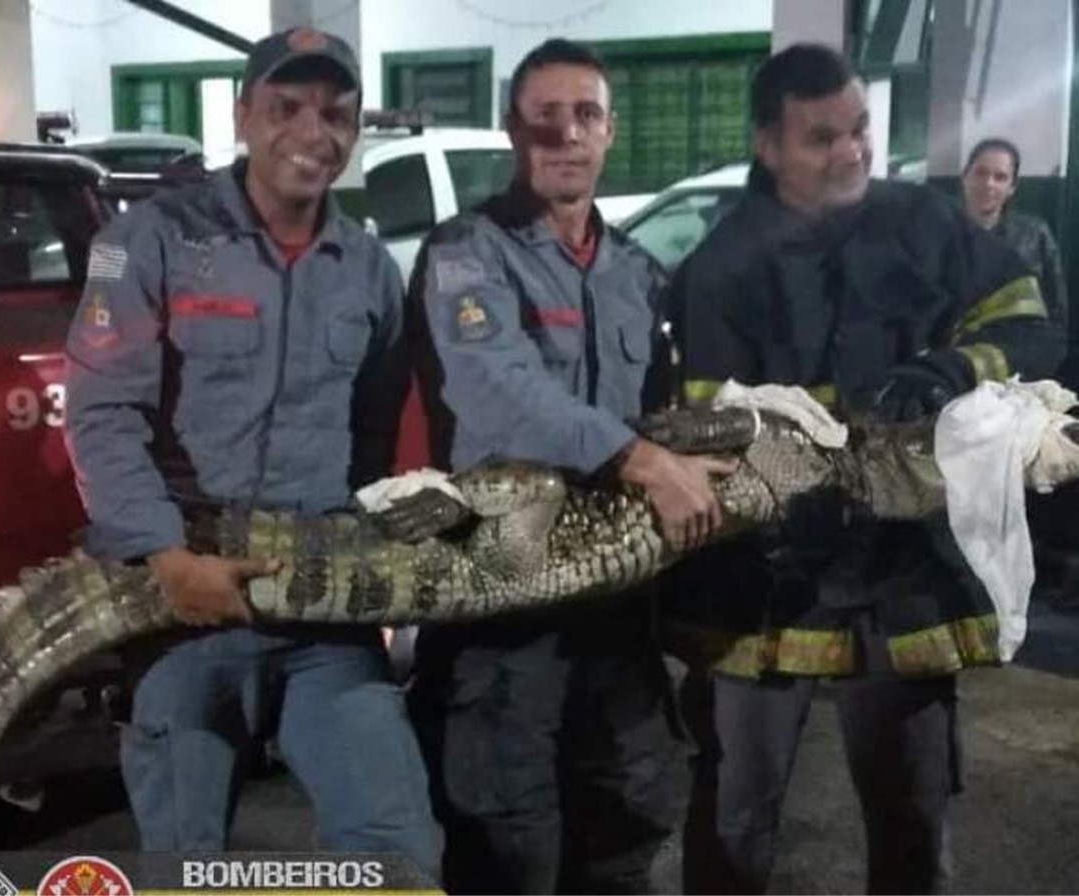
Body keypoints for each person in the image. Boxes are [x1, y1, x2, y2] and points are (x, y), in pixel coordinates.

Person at [662, 43, 1066, 895]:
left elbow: (1030, 325)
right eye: (823, 139)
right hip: (764, 590)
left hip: (903, 580)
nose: (852, 151)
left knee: (912, 820)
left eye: (860, 129)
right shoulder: (720, 270)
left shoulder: (926, 224)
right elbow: (710, 432)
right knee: (736, 821)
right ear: (769, 147)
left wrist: (954, 369)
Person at [63, 27, 438, 876]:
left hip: (321, 623)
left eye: (336, 114)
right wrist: (165, 557)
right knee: (185, 868)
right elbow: (100, 411)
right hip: (181, 604)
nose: (314, 132)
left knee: (398, 854)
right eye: (287, 108)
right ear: (243, 118)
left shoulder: (372, 270)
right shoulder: (142, 240)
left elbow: (374, 441)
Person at [406, 37, 735, 895]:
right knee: (506, 843)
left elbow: (673, 403)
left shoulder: (635, 273)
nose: (565, 134)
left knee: (627, 822)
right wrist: (643, 461)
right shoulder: (467, 252)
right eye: (544, 117)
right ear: (513, 131)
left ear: (609, 132)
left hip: (617, 616)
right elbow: (495, 388)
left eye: (584, 115)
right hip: (502, 606)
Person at [961, 137, 1068, 329]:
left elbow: (1055, 305)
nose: (989, 184)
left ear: (1012, 187)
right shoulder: (937, 232)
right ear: (965, 176)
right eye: (981, 173)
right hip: (952, 351)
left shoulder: (1035, 235)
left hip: (1017, 346)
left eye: (1000, 177)